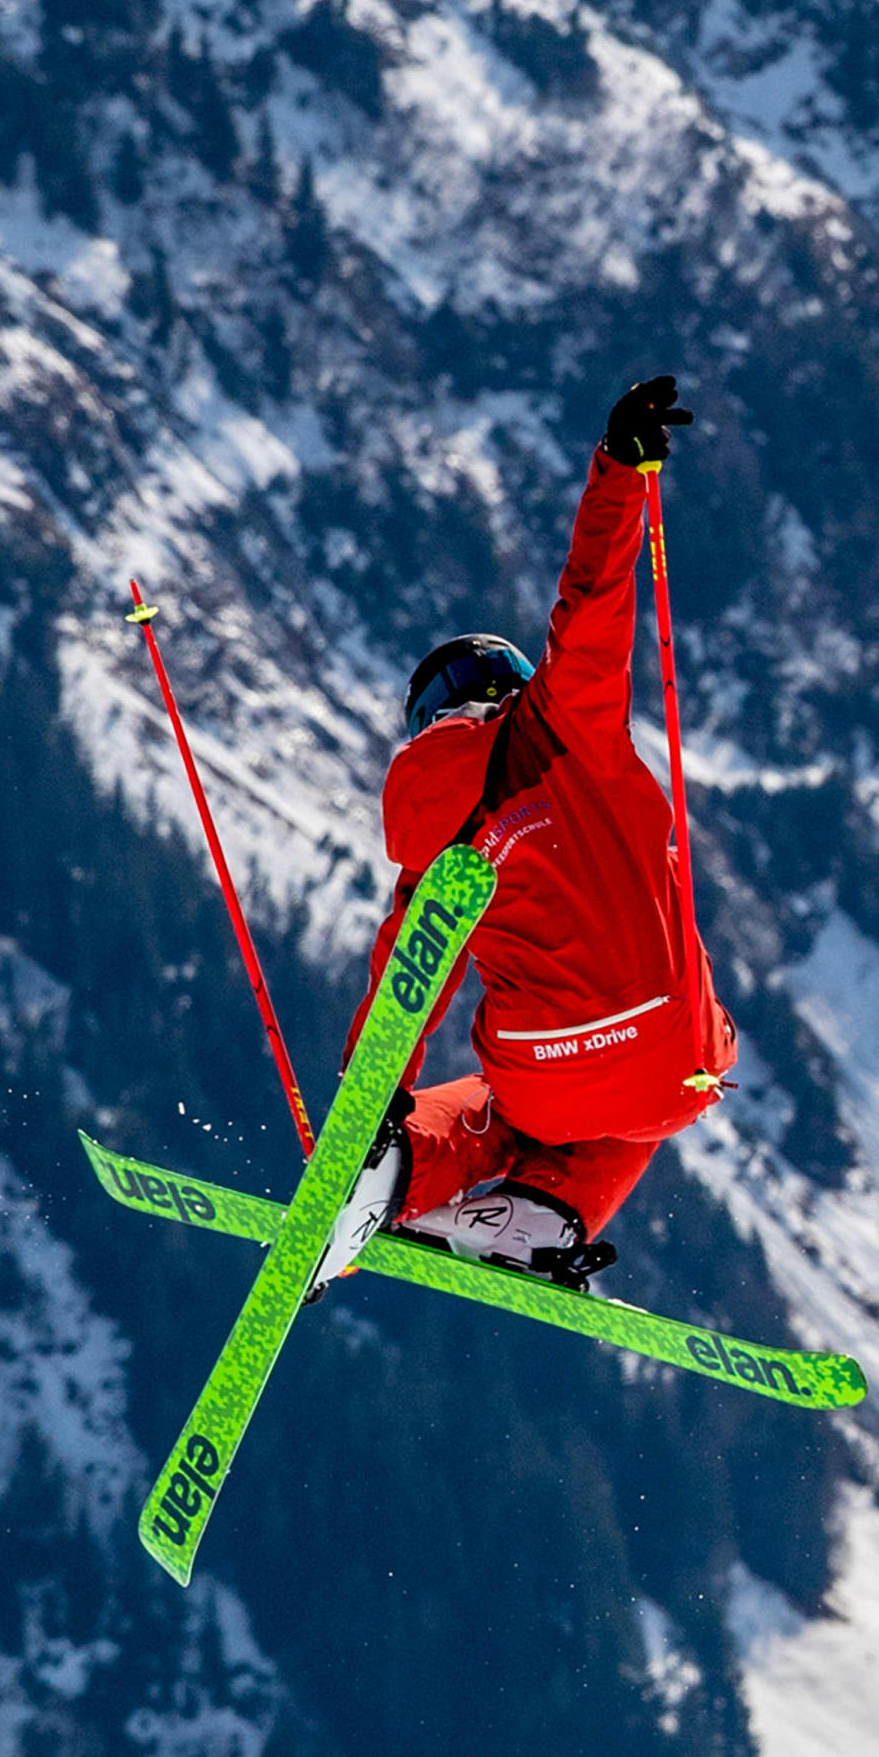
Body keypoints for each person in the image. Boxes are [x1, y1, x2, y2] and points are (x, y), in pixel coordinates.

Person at [314, 373, 738, 1296]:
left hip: (539, 1070)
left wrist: (365, 1105)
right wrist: (622, 471)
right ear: (506, 682)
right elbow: (592, 605)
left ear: (425, 722)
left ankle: (390, 1172)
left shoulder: (437, 831)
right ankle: (546, 1215)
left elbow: (407, 980)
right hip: (678, 1053)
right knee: (656, 1096)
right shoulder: (564, 723)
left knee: (507, 1106)